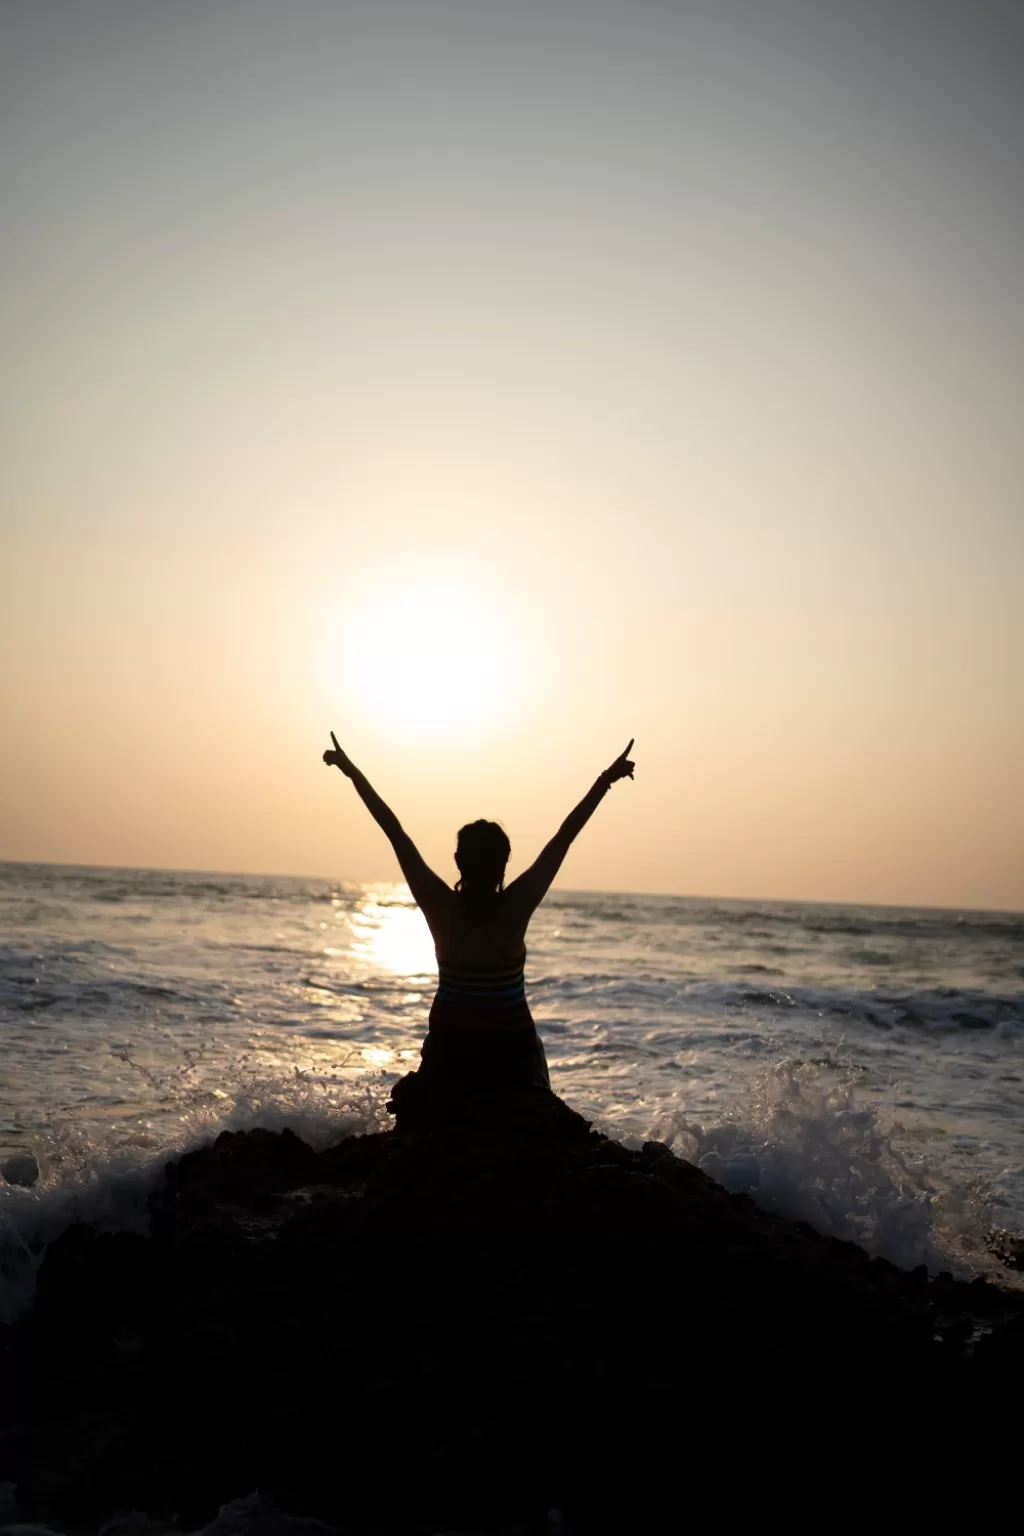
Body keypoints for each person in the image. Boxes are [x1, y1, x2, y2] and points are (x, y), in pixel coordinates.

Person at [322, 731, 635, 1128]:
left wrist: (352, 772)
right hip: (511, 1062)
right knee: (533, 1053)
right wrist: (604, 781)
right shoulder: (516, 908)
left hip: (450, 1058)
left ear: (457, 859)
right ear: (505, 863)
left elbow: (394, 832)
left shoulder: (440, 908)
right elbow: (564, 837)